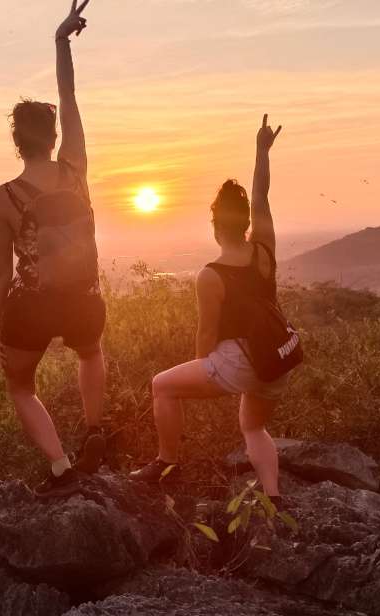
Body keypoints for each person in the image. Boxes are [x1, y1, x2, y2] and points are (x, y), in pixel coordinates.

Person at [130, 115, 291, 505]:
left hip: (238, 360)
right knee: (253, 427)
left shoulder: (210, 275)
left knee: (162, 386)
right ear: (247, 221)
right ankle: (273, 496)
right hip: (278, 356)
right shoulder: (264, 248)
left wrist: (206, 371)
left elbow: (206, 334)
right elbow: (262, 196)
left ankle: (167, 463)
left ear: (214, 224)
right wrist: (261, 152)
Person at [0, 0, 108, 497]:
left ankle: (60, 463)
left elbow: (1, 272)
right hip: (83, 299)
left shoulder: (5, 197)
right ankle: (96, 430)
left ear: (17, 142)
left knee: (20, 385)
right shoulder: (75, 169)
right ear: (55, 136)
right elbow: (71, 94)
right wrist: (60, 42)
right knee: (91, 352)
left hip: (32, 306)